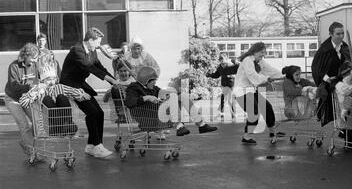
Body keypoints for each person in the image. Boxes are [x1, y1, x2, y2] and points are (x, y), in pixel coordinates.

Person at [60, 27, 119, 158]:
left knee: (99, 113)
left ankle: (92, 145)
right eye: (98, 42)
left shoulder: (93, 52)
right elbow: (90, 68)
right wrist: (113, 81)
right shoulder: (77, 50)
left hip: (80, 83)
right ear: (91, 40)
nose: (99, 45)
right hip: (69, 85)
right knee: (92, 112)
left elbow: (100, 68)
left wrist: (115, 81)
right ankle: (97, 146)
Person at [125, 67, 218, 137]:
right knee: (173, 96)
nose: (155, 83)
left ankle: (201, 125)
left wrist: (175, 93)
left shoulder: (153, 88)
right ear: (145, 80)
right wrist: (147, 97)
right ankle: (178, 125)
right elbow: (129, 103)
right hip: (147, 119)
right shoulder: (133, 88)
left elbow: (163, 92)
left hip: (158, 115)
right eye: (153, 81)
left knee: (182, 96)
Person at [19, 53, 89, 136]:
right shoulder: (39, 89)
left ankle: (66, 124)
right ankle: (59, 127)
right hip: (51, 126)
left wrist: (82, 94)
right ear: (43, 80)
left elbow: (73, 91)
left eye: (53, 79)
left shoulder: (59, 87)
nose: (51, 82)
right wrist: (34, 92)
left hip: (66, 123)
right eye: (48, 79)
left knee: (61, 97)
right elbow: (23, 102)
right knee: (47, 99)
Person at [234, 42, 284, 145]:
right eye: (261, 52)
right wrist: (266, 79)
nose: (263, 55)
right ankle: (246, 136)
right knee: (254, 112)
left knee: (267, 108)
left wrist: (282, 76)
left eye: (264, 53)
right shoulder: (247, 60)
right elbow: (253, 77)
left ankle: (272, 132)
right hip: (241, 91)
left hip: (251, 90)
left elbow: (270, 70)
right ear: (254, 51)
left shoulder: (260, 61)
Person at [4, 43, 40, 155]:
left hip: (27, 97)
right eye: (33, 58)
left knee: (38, 122)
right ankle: (32, 151)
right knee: (23, 124)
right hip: (13, 98)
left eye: (36, 58)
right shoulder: (14, 66)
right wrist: (29, 87)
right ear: (26, 55)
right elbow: (14, 86)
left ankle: (25, 141)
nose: (35, 60)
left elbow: (38, 80)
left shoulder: (35, 65)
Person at [206, 54, 239, 119]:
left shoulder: (231, 66)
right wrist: (209, 75)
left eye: (223, 62)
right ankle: (222, 113)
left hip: (232, 85)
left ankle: (233, 114)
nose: (222, 64)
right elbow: (216, 75)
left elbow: (239, 68)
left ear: (226, 60)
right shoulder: (219, 68)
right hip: (224, 85)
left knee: (231, 100)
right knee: (223, 99)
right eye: (221, 61)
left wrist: (236, 62)